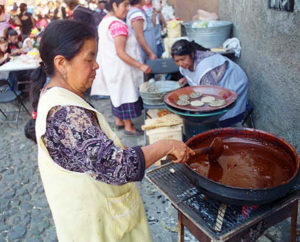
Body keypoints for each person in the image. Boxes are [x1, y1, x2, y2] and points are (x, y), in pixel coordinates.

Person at [28, 19, 193, 241]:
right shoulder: (64, 113)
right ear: (61, 63)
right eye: (89, 58)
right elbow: (117, 166)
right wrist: (167, 145)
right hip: (99, 227)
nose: (96, 65)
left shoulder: (54, 95)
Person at [91, 0, 152, 135]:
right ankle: (129, 127)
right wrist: (140, 66)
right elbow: (121, 52)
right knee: (126, 95)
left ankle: (119, 121)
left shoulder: (105, 21)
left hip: (111, 67)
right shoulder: (117, 24)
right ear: (114, 5)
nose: (127, 9)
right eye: (124, 5)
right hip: (122, 69)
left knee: (116, 94)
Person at [171, 39, 248, 127]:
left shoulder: (206, 69)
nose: (181, 63)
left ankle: (225, 126)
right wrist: (186, 79)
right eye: (177, 61)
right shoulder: (185, 65)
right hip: (214, 85)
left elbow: (209, 98)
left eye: (183, 59)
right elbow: (193, 76)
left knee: (223, 113)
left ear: (192, 54)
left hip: (234, 81)